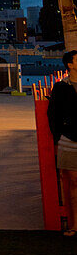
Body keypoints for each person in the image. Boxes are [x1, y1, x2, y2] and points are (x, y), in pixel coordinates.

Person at [47, 49, 77, 237]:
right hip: (69, 139)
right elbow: (53, 114)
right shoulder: (61, 87)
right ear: (70, 65)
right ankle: (74, 225)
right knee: (73, 183)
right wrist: (58, 137)